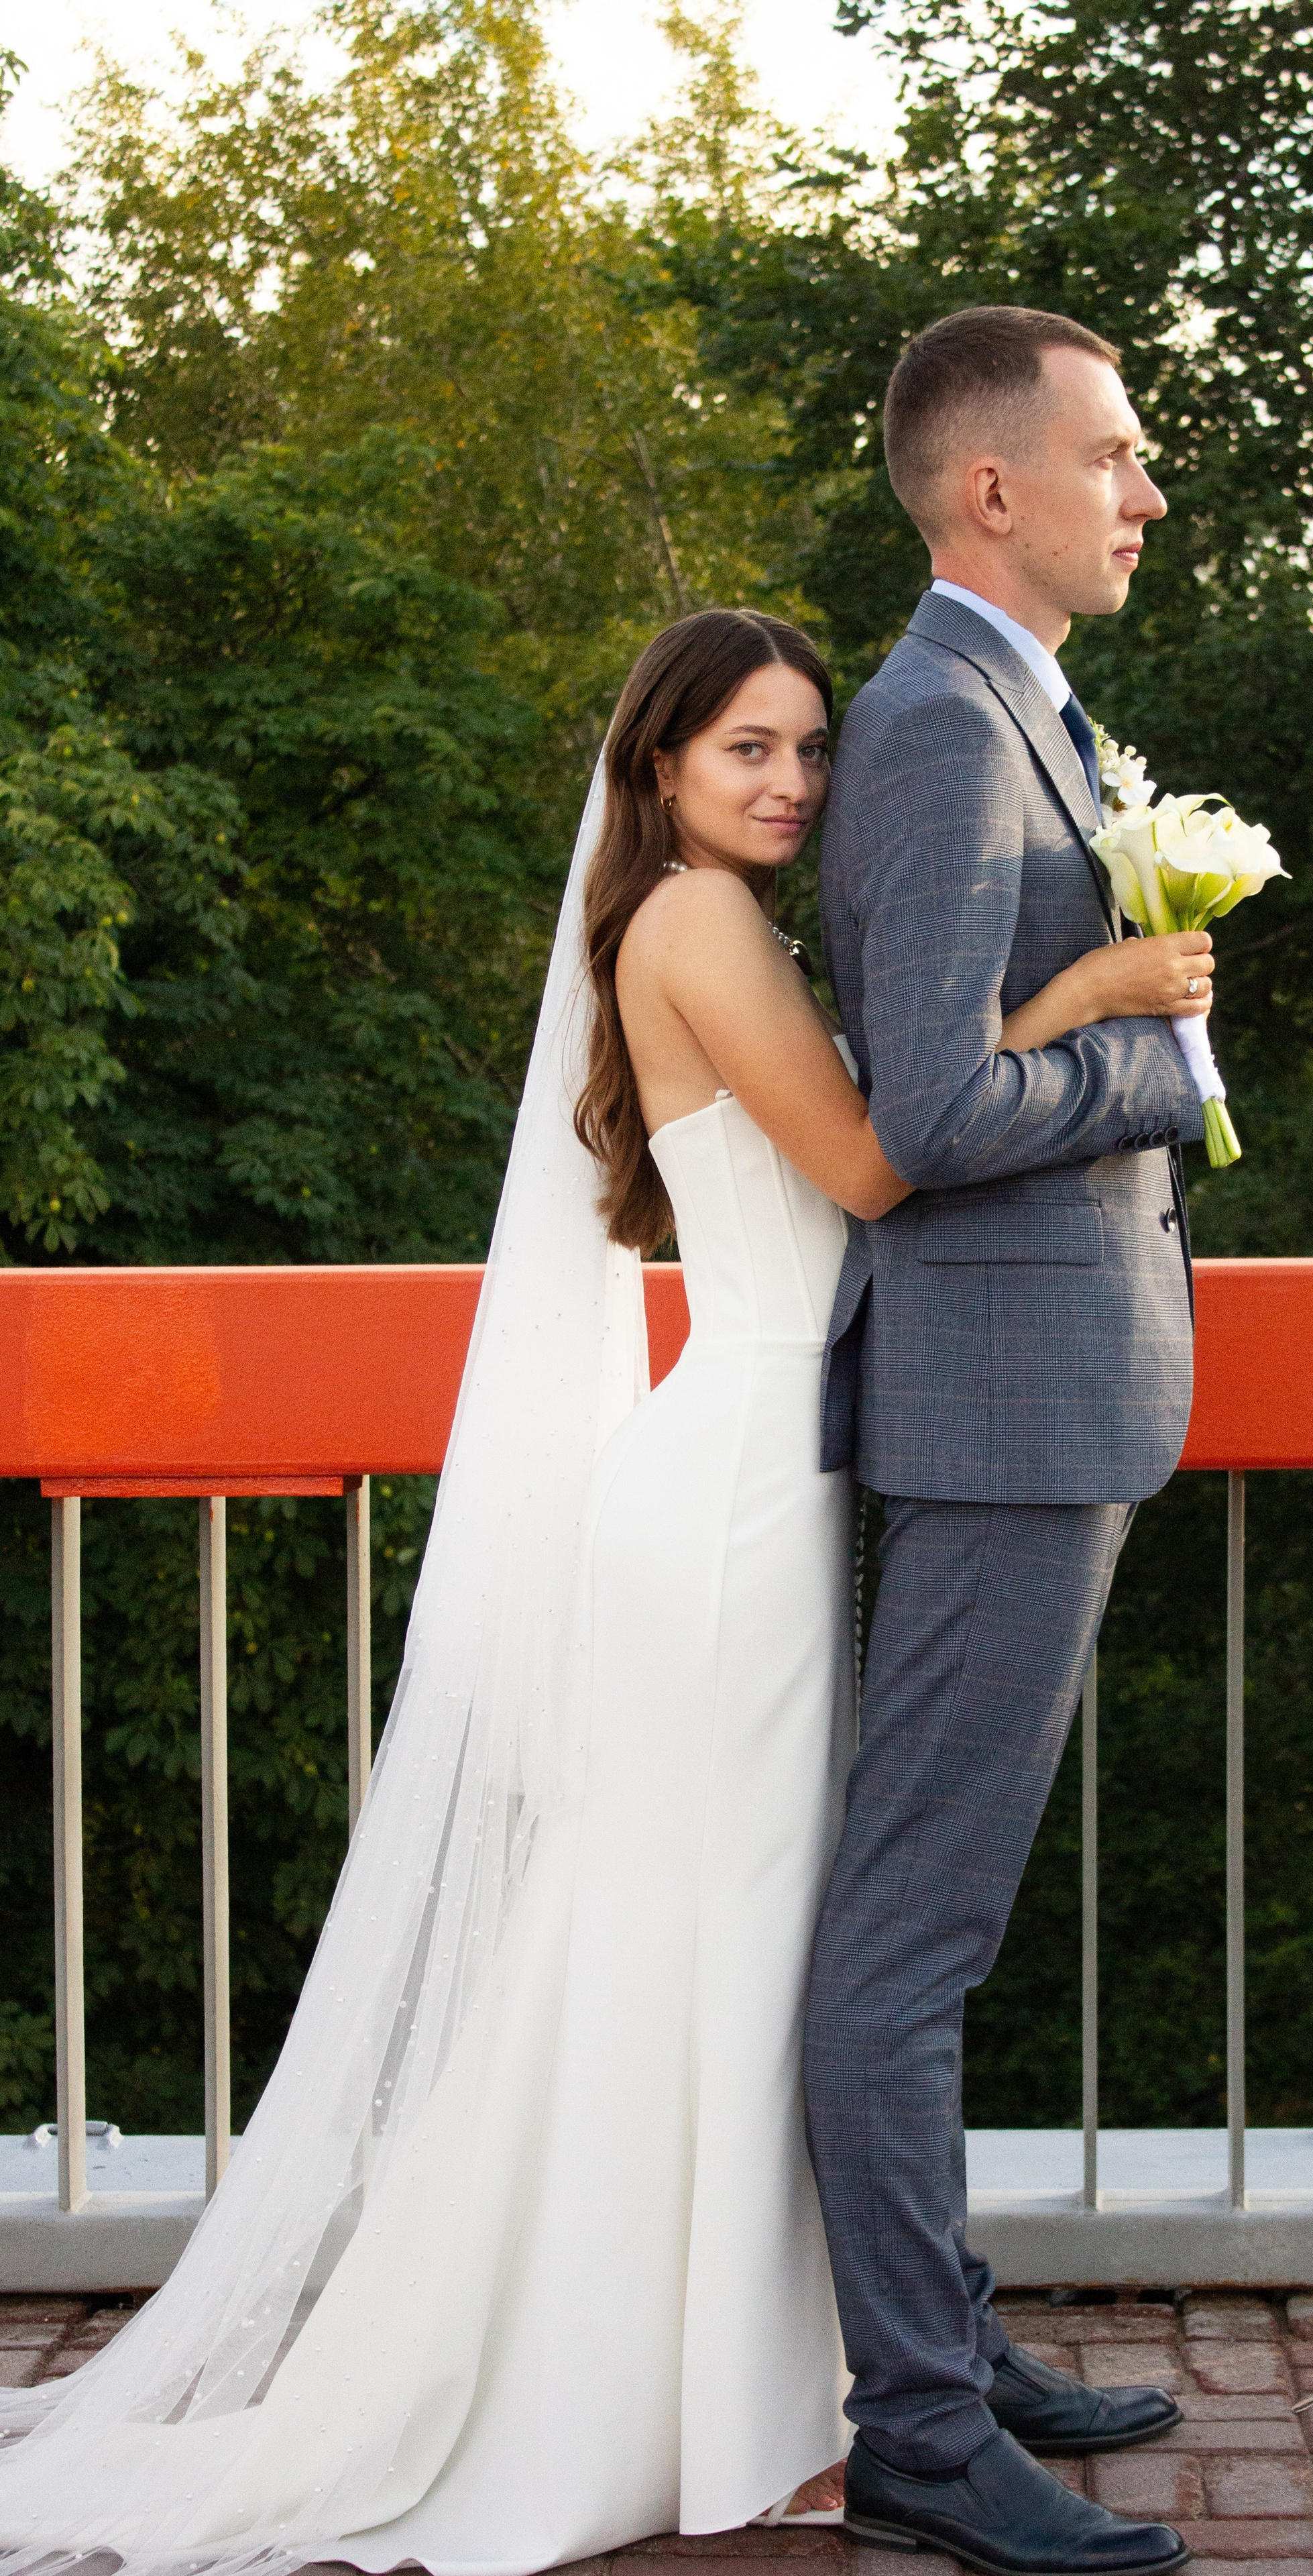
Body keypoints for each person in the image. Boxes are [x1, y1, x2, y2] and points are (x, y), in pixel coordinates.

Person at [0, 602, 1210, 2576]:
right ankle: (735, 2390)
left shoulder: (712, 925)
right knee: (725, 1942)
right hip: (731, 1500)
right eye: (749, 750)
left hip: (761, 1480)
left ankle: (830, 2367)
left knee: (737, 1944)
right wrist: (1087, 1000)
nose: (794, 782)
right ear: (657, 769)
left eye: (809, 750)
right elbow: (884, 1165)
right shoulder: (696, 930)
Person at [808, 306, 1212, 2575]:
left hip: (1054, 1395)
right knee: (910, 1935)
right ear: (994, 490)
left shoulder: (1016, 712)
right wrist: (1159, 1067)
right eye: (1117, 455)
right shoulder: (946, 732)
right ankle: (923, 2427)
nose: (1143, 493)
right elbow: (935, 1109)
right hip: (993, 1402)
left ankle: (946, 2320)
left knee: (937, 1924)